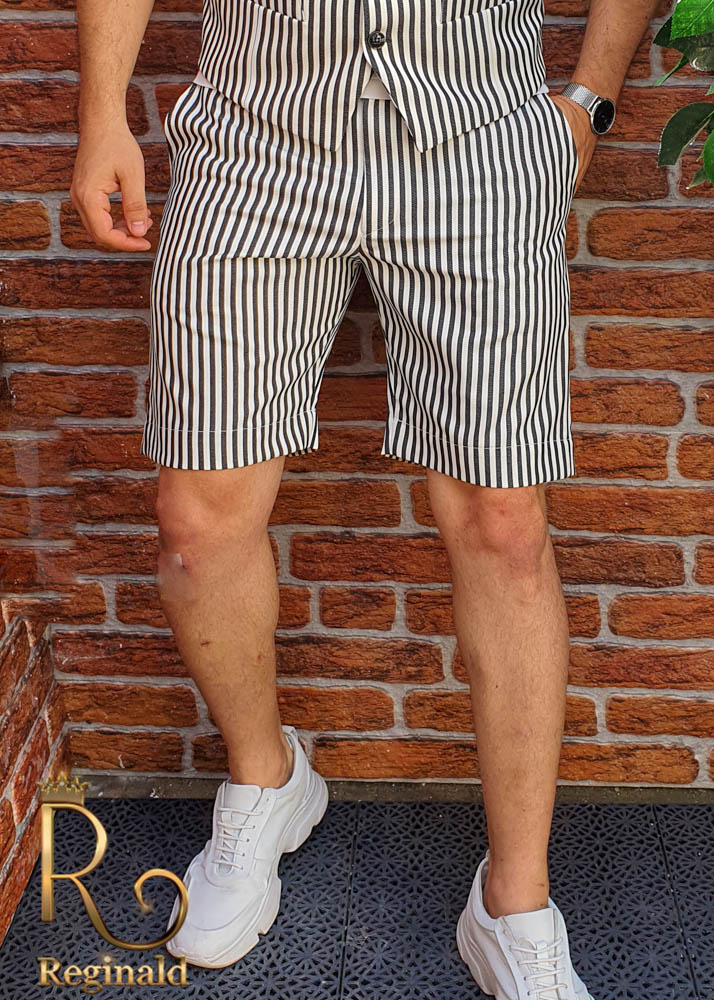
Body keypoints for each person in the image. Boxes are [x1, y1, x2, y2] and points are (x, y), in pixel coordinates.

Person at [70, 0, 659, 995]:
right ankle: (266, 777)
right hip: (254, 145)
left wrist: (589, 99)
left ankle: (514, 899)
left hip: (478, 141)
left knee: (504, 524)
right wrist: (100, 111)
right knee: (197, 520)